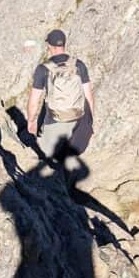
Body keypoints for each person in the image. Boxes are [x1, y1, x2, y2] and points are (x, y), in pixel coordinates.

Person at [27, 29, 95, 174]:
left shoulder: (43, 69)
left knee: (51, 162)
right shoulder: (79, 65)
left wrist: (31, 121)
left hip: (54, 121)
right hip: (77, 118)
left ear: (49, 46)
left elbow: (34, 101)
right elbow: (89, 96)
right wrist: (89, 121)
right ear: (64, 44)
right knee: (70, 158)